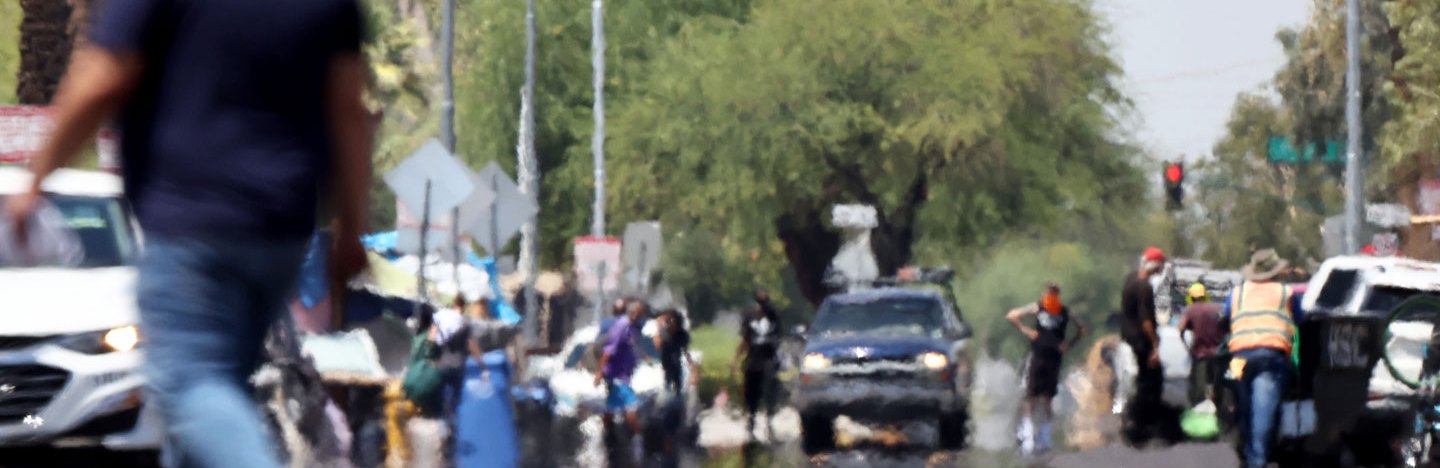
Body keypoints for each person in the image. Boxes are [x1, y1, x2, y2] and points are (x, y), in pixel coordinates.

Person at [5, 1, 373, 466]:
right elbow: (347, 112)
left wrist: (37, 178)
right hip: (280, 232)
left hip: (192, 226)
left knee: (193, 385)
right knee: (209, 405)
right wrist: (352, 227)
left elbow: (104, 76)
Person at [1222, 249, 1296, 468]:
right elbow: (1301, 317)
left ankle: (1246, 454)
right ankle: (1258, 460)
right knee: (1262, 411)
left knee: (1243, 406)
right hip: (1269, 356)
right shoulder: (1285, 293)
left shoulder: (1237, 293)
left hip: (1238, 358)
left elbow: (1225, 317)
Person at [1007, 282, 1086, 455]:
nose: (1051, 294)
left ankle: (1045, 439)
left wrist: (1069, 344)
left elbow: (1081, 329)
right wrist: (1026, 330)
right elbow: (1012, 316)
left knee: (1048, 399)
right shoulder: (1038, 307)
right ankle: (1028, 438)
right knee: (1030, 397)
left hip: (1054, 359)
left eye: (1054, 292)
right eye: (1049, 291)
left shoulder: (1064, 311)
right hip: (1038, 357)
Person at [1119, 247, 1168, 444]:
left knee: (1140, 382)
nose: (1160, 270)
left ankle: (1134, 423)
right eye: (1160, 266)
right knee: (1150, 384)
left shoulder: (1130, 279)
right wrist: (1155, 346)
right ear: (1154, 265)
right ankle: (1140, 428)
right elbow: (1147, 321)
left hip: (1128, 338)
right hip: (1142, 342)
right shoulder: (1144, 287)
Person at [596, 301, 649, 460]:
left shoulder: (633, 327)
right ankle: (639, 443)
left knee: (611, 409)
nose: (643, 315)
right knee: (631, 406)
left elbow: (632, 346)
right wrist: (599, 373)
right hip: (617, 377)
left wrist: (644, 357)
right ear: (634, 312)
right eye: (641, 312)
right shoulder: (622, 326)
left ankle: (602, 440)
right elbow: (608, 350)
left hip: (623, 375)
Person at [733, 289, 782, 441]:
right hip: (753, 359)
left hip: (768, 359)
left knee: (770, 391)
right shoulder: (749, 315)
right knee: (751, 393)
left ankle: (770, 422)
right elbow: (745, 339)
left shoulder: (773, 315)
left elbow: (778, 336)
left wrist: (777, 355)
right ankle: (751, 422)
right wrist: (736, 359)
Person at [1178, 283, 1224, 406]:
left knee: (1198, 391)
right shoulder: (1217, 308)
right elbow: (1227, 327)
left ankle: (1198, 414)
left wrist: (1186, 346)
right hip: (1218, 355)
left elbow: (1180, 328)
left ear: (1192, 298)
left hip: (1200, 355)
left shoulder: (1190, 310)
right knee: (1218, 388)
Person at [654, 309, 698, 397]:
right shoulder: (663, 333)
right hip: (666, 363)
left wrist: (693, 369)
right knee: (668, 382)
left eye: (673, 321)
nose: (671, 324)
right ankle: (668, 397)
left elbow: (686, 351)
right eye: (668, 321)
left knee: (677, 382)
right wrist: (659, 327)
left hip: (676, 363)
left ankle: (677, 398)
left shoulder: (681, 334)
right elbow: (657, 345)